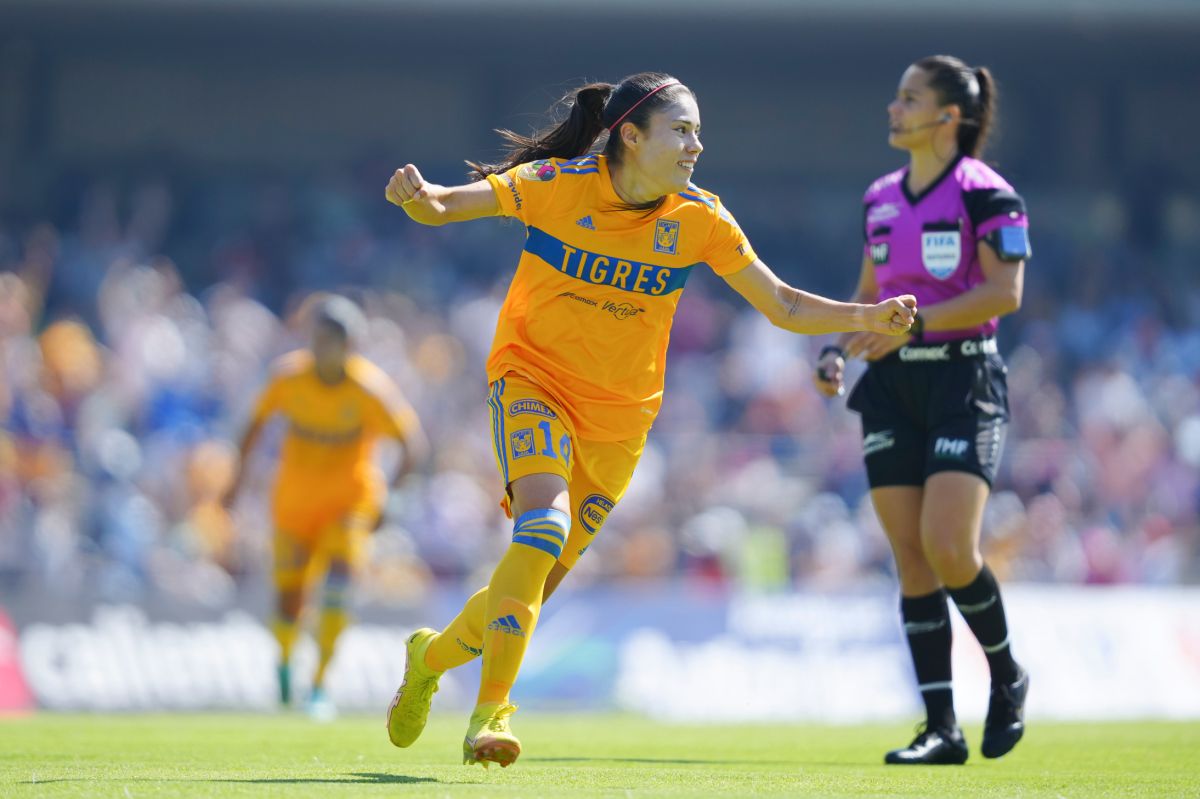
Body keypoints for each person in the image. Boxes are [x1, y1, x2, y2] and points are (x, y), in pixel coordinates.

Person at [383, 71, 917, 768]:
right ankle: (491, 713)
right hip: (532, 382)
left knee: (530, 587)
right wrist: (419, 198)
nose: (697, 144)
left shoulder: (700, 219)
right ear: (630, 135)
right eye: (682, 129)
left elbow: (781, 304)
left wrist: (866, 316)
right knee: (540, 528)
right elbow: (447, 206)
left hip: (621, 422)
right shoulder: (555, 184)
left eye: (698, 131)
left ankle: (429, 657)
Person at [813, 55, 1031, 765]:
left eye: (908, 99)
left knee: (949, 546)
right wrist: (839, 347)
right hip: (892, 386)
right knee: (911, 558)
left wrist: (917, 325)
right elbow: (871, 292)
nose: (893, 109)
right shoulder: (880, 196)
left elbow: (1004, 293)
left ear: (948, 117)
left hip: (963, 382)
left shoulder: (988, 193)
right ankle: (941, 727)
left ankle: (1007, 675)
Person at [225, 295, 428, 720]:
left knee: (337, 592)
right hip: (294, 506)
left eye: (329, 341)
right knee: (290, 599)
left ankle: (319, 686)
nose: (319, 349)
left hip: (349, 505)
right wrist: (236, 484)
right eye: (314, 339)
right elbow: (252, 426)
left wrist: (394, 496)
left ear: (349, 345)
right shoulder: (288, 379)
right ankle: (284, 662)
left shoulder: (369, 389)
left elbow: (413, 446)